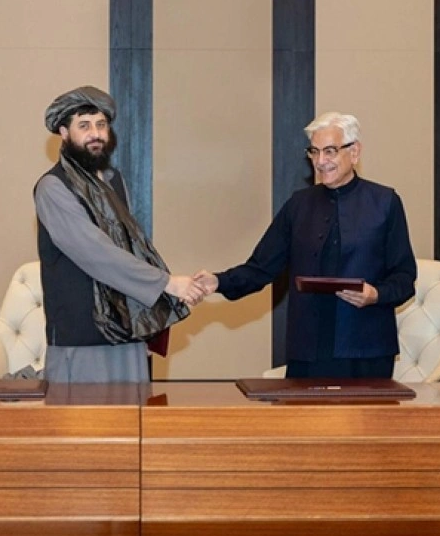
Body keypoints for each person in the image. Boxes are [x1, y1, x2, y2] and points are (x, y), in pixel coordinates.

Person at [194, 112, 416, 379]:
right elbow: (261, 267)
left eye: (330, 151)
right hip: (308, 349)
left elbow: (404, 278)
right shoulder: (298, 205)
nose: (320, 161)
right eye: (314, 152)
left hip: (367, 349)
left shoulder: (385, 202)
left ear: (354, 151)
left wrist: (376, 294)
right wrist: (218, 282)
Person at [35, 85, 203, 383]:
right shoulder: (53, 187)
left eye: (101, 125)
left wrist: (149, 318)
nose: (95, 134)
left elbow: (131, 247)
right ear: (63, 132)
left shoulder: (113, 181)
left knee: (133, 411)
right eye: (84, 126)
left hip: (127, 331)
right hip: (82, 338)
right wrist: (166, 283)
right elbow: (96, 252)